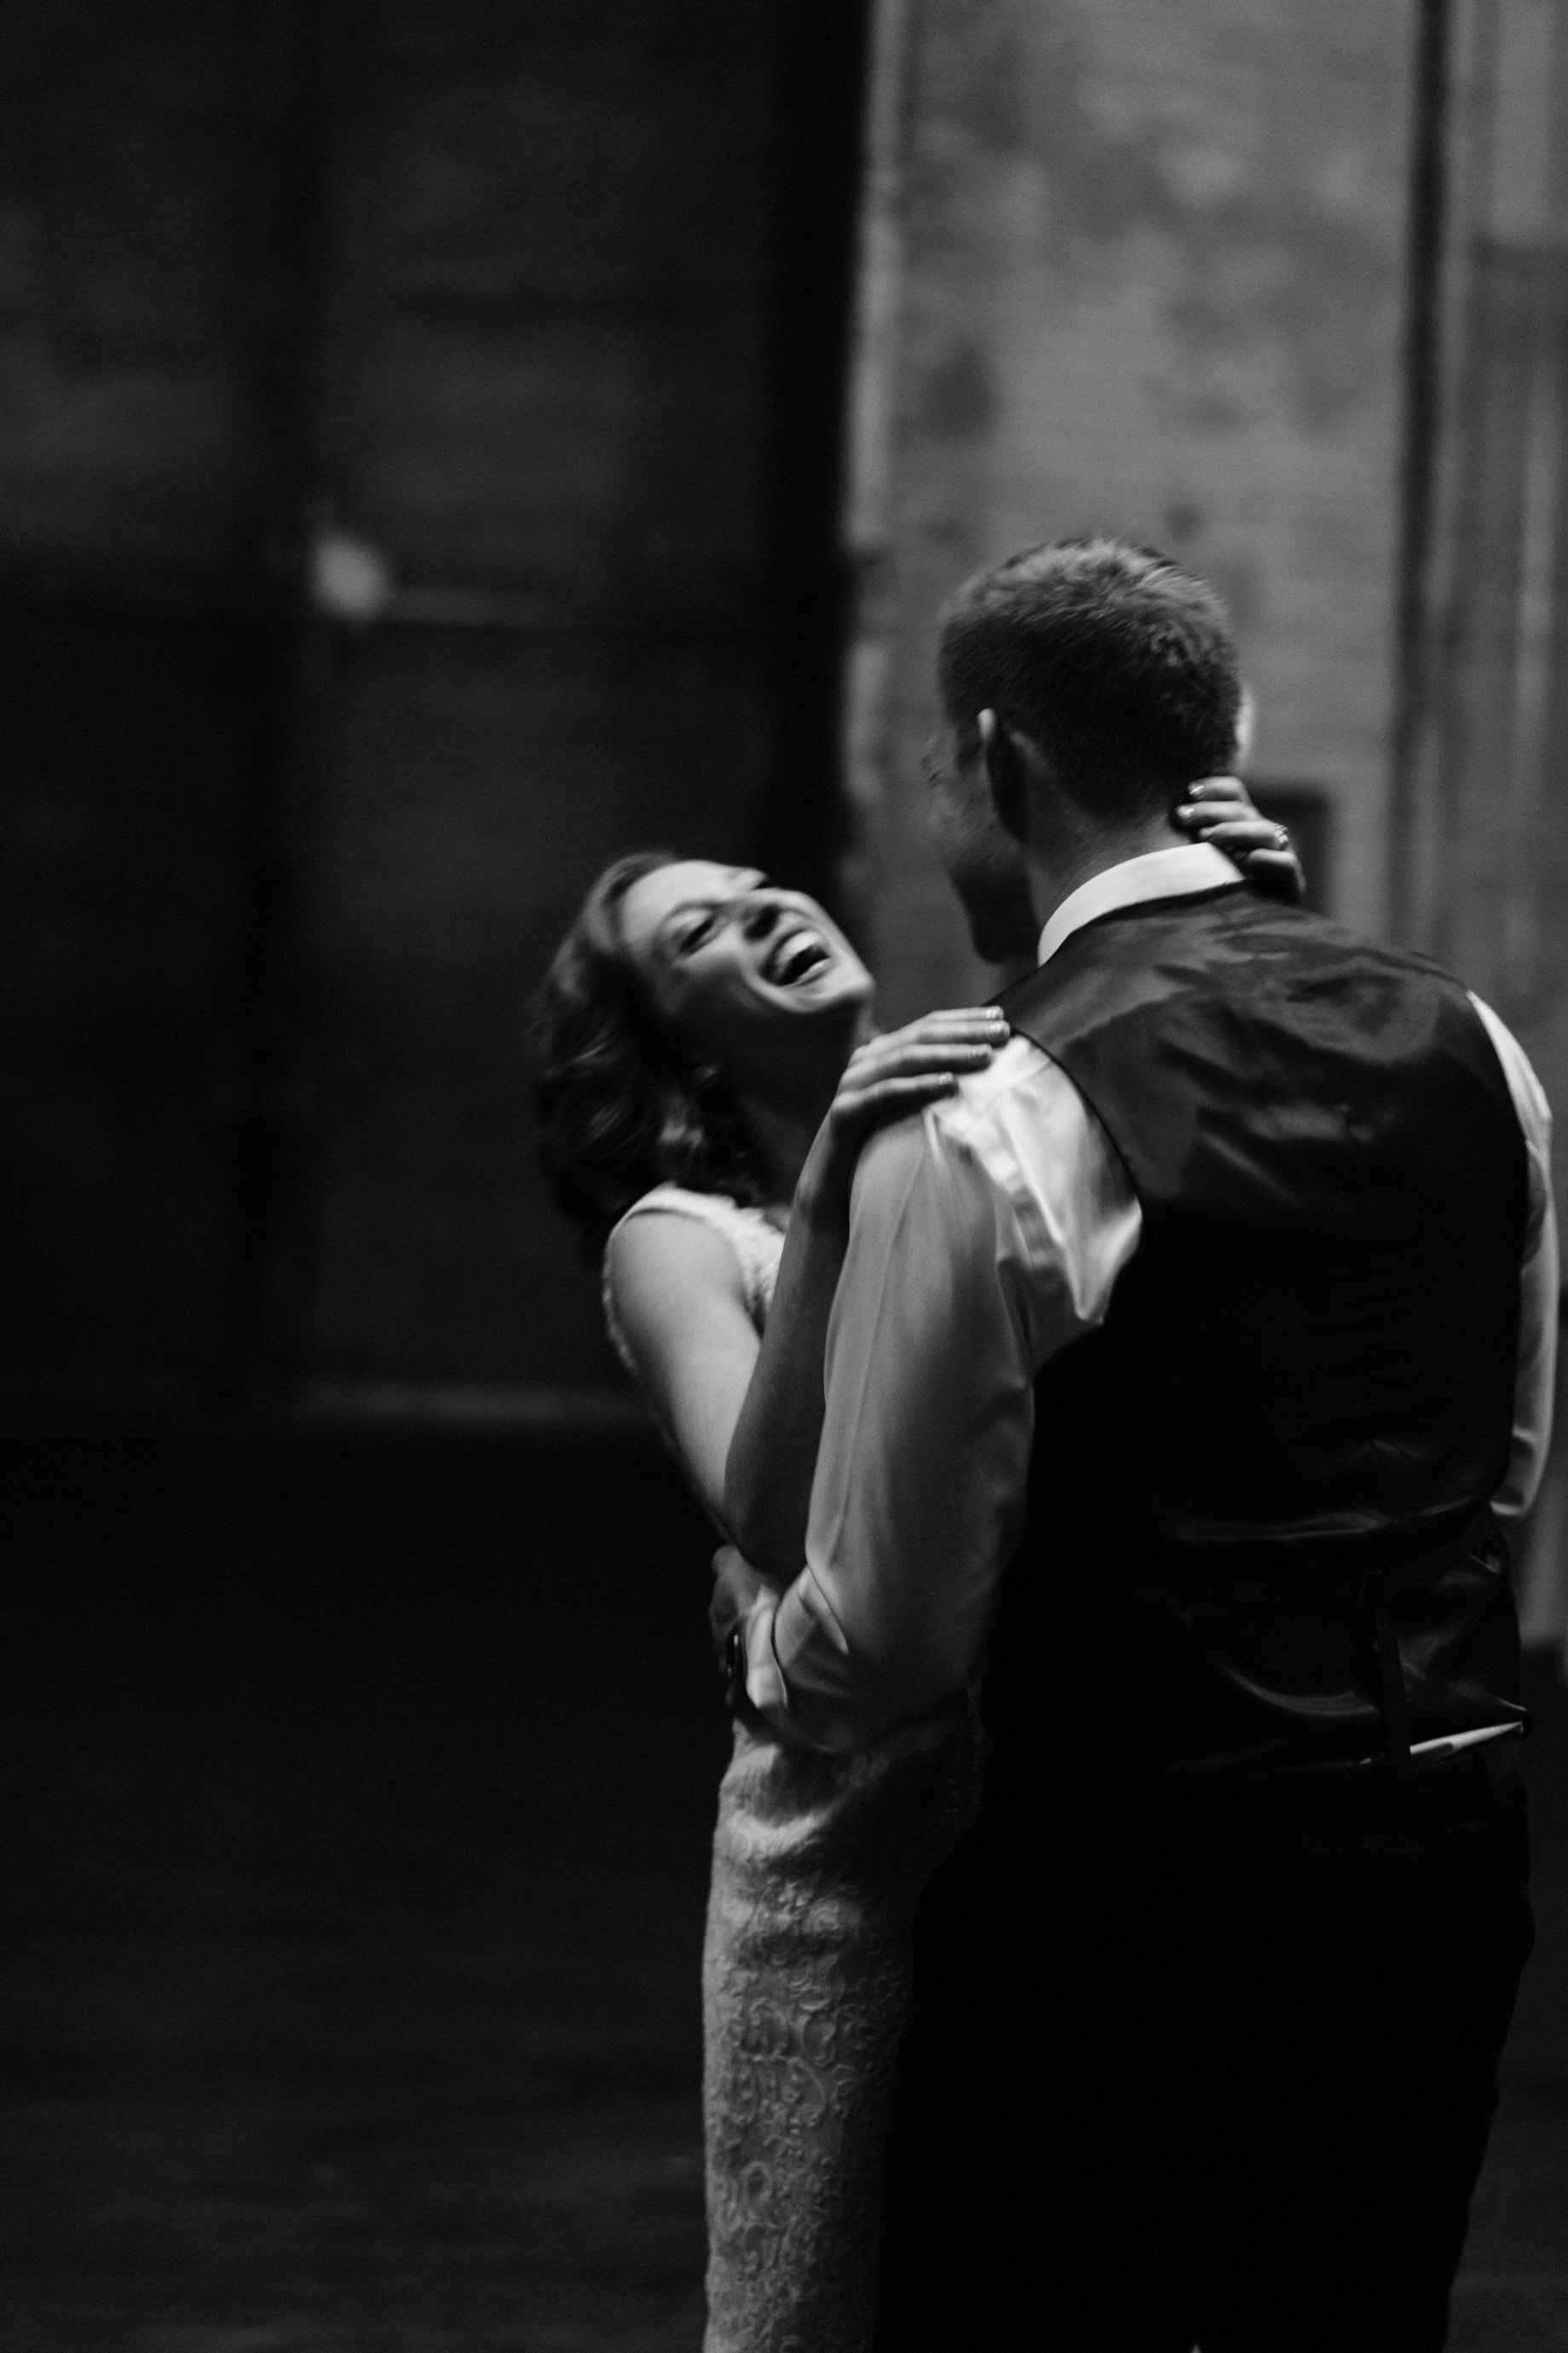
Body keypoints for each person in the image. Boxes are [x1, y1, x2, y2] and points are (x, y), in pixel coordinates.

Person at [720, 537, 1558, 2352]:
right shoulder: (1471, 1044)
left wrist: (756, 1642)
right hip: (1439, 1856)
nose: (935, 803)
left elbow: (889, 1636)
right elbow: (1493, 1473)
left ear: (999, 759)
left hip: (1124, 1877)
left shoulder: (996, 1106)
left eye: (935, 766)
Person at [531, 770, 1302, 2353]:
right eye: (701, 933)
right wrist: (826, 1196)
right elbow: (771, 1508)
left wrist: (1248, 935)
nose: (761, 906)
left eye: (759, 880)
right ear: (675, 1040)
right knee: (816, 2305)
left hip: (1072, 1800)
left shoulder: (1000, 1090)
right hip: (852, 1846)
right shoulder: (679, 1235)